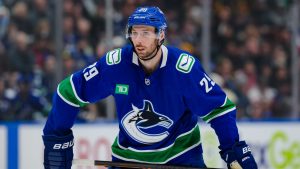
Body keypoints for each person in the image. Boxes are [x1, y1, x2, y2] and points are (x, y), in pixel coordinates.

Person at [42, 6, 257, 169]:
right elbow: (68, 92)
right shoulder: (116, 65)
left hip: (181, 159)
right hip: (129, 159)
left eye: (145, 33)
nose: (138, 40)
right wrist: (57, 139)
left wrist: (233, 150)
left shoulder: (184, 69)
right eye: (134, 33)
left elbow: (219, 109)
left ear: (160, 35)